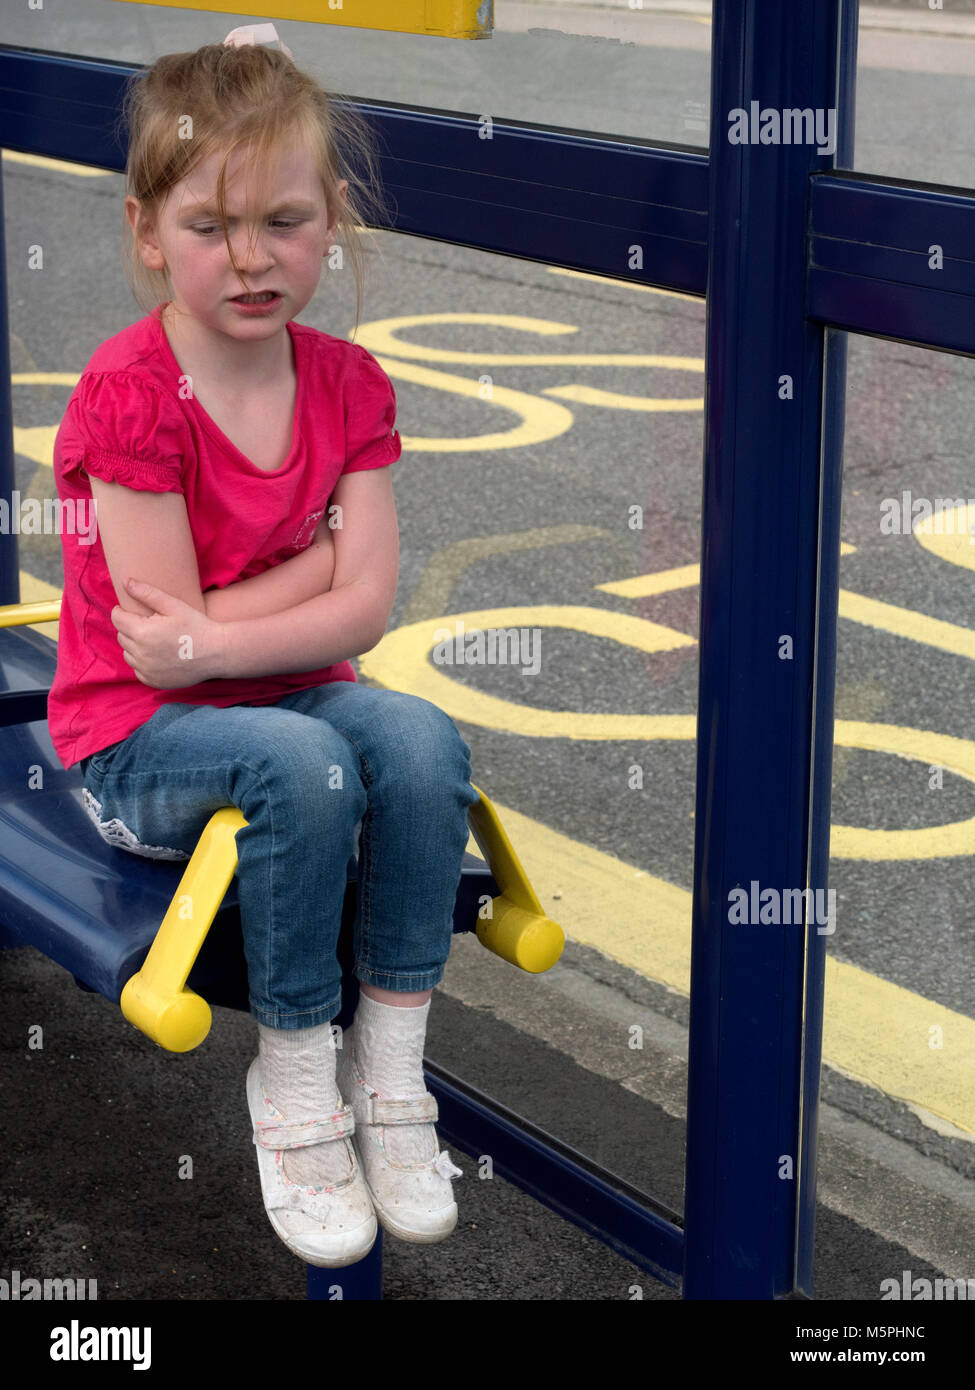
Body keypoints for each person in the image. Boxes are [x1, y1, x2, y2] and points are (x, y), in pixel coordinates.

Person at [47, 24, 478, 1269]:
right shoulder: (130, 393)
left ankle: (389, 1069)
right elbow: (166, 654)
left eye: (284, 222)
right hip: (140, 741)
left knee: (415, 733)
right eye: (208, 228)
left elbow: (365, 610)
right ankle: (295, 1076)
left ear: (331, 217)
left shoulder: (348, 383)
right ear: (146, 232)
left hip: (284, 705)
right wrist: (308, 580)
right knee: (301, 764)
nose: (250, 259)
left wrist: (239, 623)